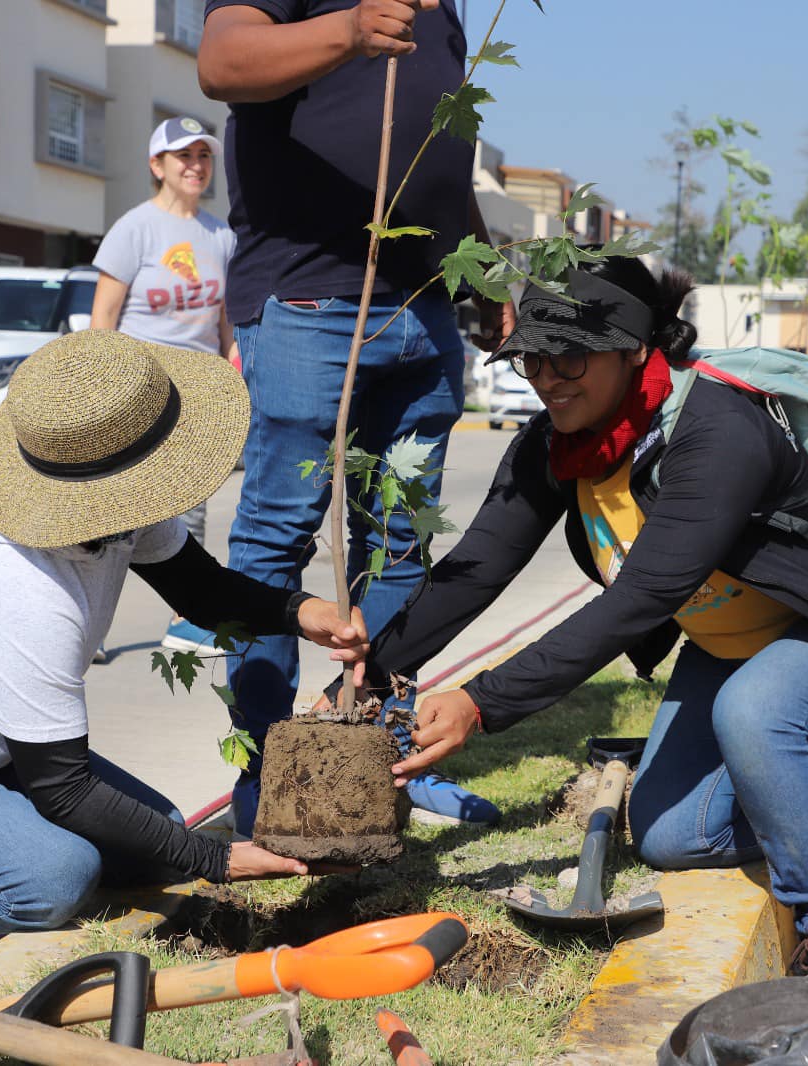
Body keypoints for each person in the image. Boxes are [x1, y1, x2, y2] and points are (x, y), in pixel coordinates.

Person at [342, 258, 808, 983]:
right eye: (533, 358)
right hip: (736, 644)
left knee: (754, 713)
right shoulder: (554, 445)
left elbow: (639, 599)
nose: (547, 376)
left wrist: (480, 702)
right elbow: (474, 570)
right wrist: (371, 672)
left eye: (569, 354)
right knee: (670, 834)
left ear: (636, 348)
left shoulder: (716, 432)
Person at [0, 329, 368, 976]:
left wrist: (303, 613)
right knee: (57, 879)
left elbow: (198, 586)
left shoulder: (112, 488)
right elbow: (63, 789)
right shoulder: (16, 583)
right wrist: (220, 860)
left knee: (150, 839)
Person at [197, 0, 513, 831]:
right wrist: (347, 31)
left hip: (426, 303)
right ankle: (269, 770)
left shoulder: (445, 9)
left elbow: (438, 160)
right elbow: (223, 64)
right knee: (278, 531)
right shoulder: (358, 12)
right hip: (310, 298)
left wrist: (476, 268)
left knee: (402, 534)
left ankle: (375, 751)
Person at [92, 116, 239, 657]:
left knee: (189, 508)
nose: (196, 166)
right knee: (115, 513)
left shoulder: (221, 235)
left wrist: (231, 373)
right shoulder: (134, 229)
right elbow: (102, 318)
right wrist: (103, 393)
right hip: (137, 393)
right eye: (184, 156)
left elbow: (224, 323)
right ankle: (86, 629)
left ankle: (190, 621)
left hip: (197, 395)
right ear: (157, 165)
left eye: (204, 156)